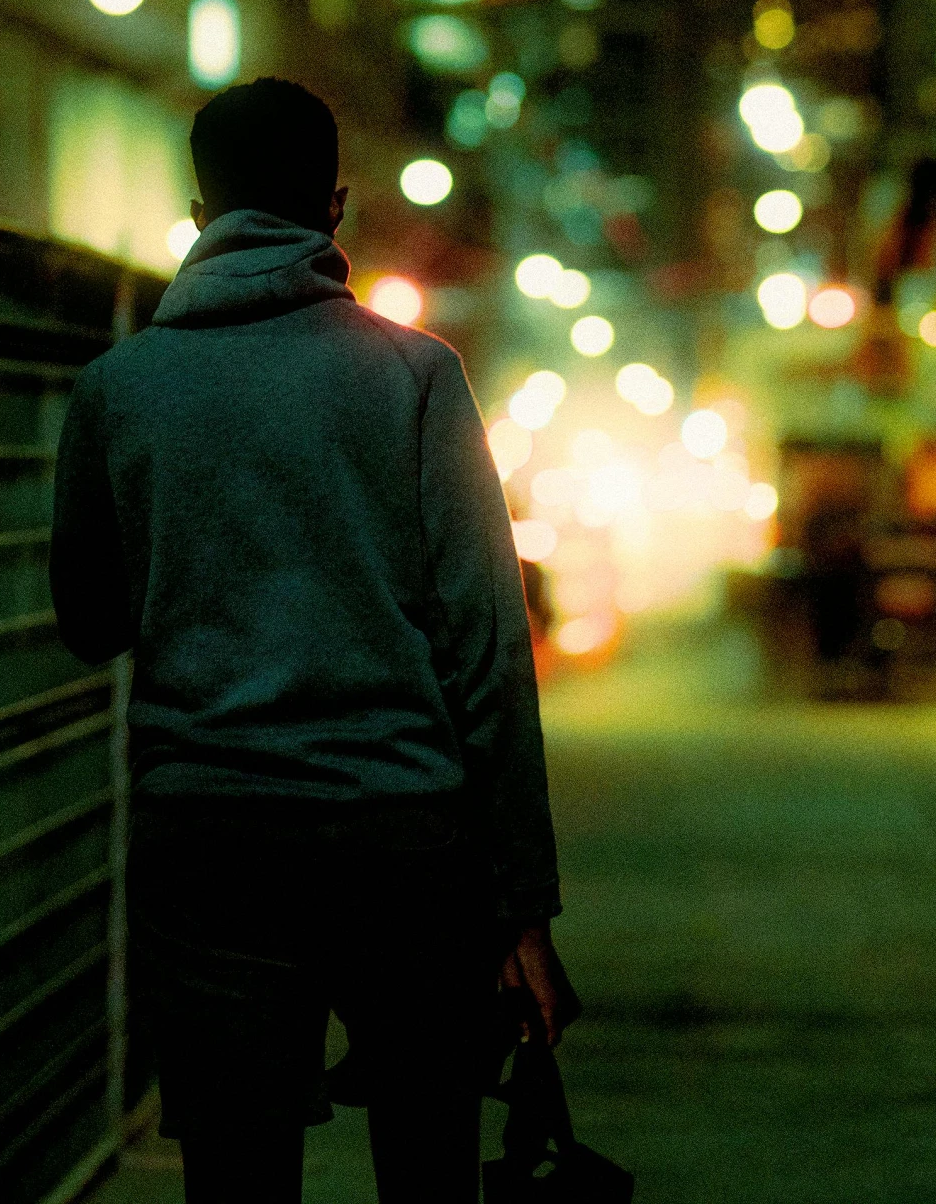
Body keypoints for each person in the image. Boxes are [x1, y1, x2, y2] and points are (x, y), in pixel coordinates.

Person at [51, 78, 575, 1204]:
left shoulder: (116, 389)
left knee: (236, 1174)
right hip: (404, 840)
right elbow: (486, 646)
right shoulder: (416, 375)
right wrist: (519, 897)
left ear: (200, 215)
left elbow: (88, 621)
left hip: (211, 834)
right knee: (429, 1165)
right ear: (334, 207)